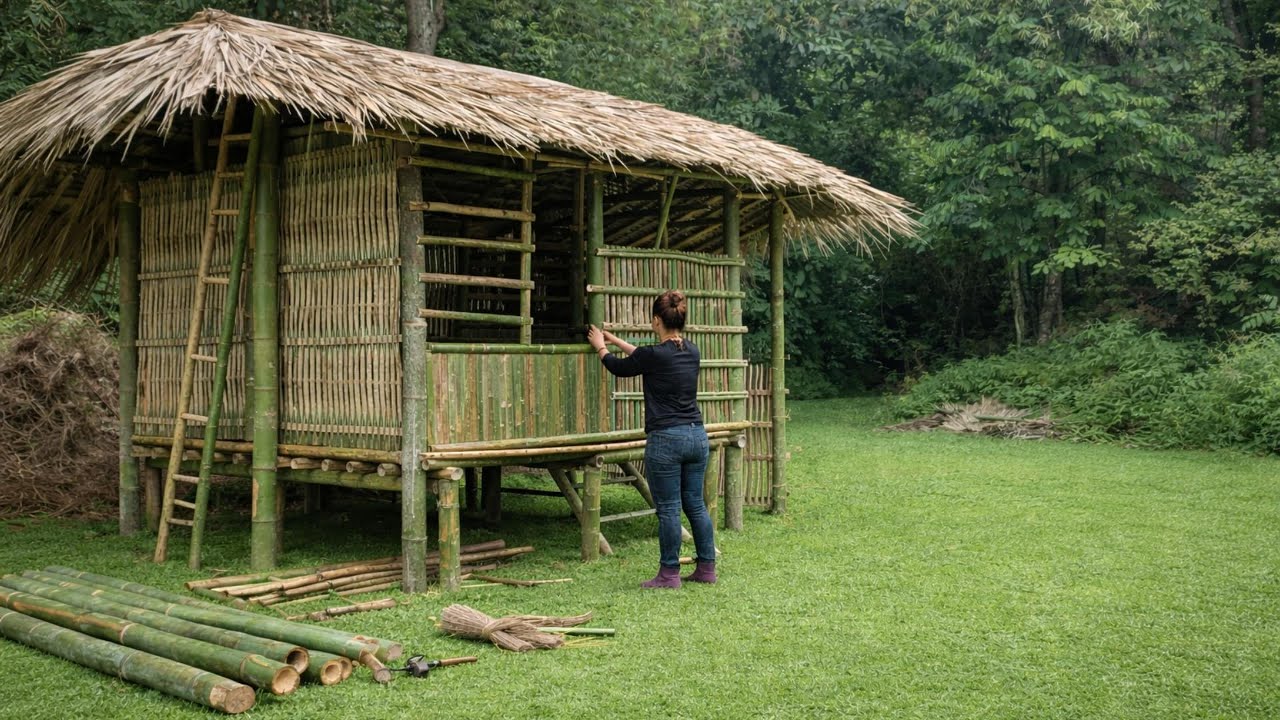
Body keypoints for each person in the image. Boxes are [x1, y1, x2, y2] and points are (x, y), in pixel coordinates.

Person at [586, 290, 717, 589]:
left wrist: (600, 348)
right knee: (695, 504)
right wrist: (616, 340)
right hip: (697, 436)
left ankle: (669, 574)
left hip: (667, 440)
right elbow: (646, 358)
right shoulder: (692, 351)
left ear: (657, 320)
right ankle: (707, 568)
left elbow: (621, 368)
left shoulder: (653, 356)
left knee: (669, 508)